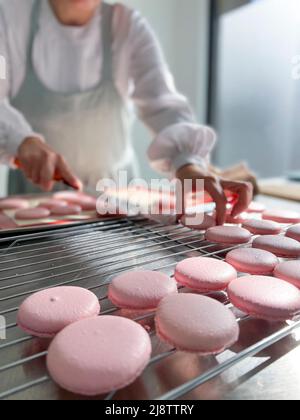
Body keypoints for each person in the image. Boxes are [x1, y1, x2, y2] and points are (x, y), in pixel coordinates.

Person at [0, 0, 253, 224]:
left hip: (117, 194)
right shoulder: (10, 18)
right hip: (35, 199)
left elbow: (162, 103)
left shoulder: (127, 26)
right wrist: (21, 140)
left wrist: (188, 164)